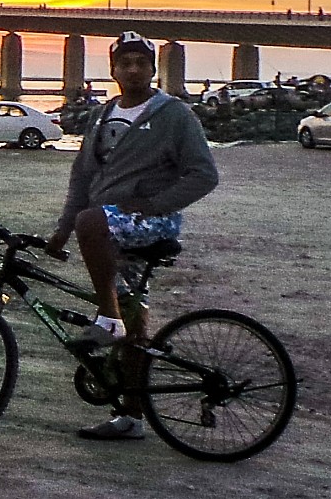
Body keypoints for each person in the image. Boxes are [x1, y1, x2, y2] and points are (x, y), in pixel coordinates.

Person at [46, 31, 220, 441]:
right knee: (132, 312)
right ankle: (130, 415)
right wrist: (61, 230)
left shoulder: (173, 114)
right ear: (113, 70)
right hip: (109, 224)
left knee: (94, 228)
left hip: (147, 223)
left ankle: (107, 321)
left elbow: (204, 174)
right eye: (125, 62)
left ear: (153, 69)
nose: (133, 69)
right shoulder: (102, 115)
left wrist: (154, 205)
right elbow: (82, 178)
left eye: (141, 62)